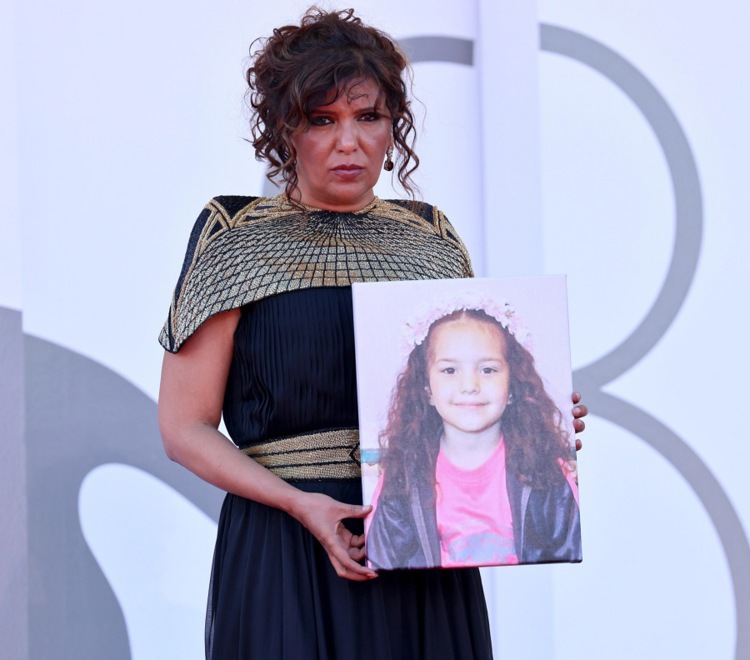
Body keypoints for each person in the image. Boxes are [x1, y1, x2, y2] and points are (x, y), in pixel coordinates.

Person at [156, 7, 587, 660]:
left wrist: (538, 413)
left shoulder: (432, 240)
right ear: (284, 129)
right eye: (321, 120)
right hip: (284, 549)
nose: (349, 143)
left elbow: (461, 405)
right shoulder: (233, 239)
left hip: (421, 547)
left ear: (394, 126)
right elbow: (183, 429)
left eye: (368, 117)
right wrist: (302, 507)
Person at [367, 299, 582, 570]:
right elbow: (383, 560)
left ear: (513, 386)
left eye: (488, 370)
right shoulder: (403, 476)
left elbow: (570, 556)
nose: (470, 385)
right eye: (449, 370)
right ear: (426, 389)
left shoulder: (547, 473)